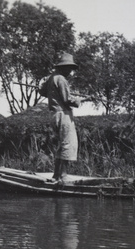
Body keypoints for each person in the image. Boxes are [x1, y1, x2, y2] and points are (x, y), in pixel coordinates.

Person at [39, 52, 87, 183]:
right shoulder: (61, 79)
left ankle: (56, 174)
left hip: (55, 114)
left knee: (62, 145)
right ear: (63, 67)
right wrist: (80, 99)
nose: (70, 71)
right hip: (63, 114)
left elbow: (42, 91)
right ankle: (63, 175)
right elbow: (67, 100)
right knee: (69, 143)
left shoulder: (52, 78)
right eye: (69, 68)